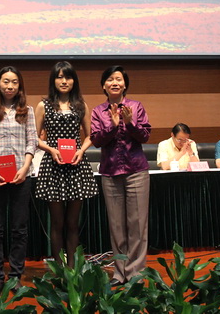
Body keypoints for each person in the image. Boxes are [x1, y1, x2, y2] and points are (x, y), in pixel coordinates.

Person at [90, 65, 152, 286]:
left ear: (125, 84)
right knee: (116, 226)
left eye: (118, 79)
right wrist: (112, 127)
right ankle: (119, 272)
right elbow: (96, 141)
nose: (114, 82)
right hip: (110, 173)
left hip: (136, 172)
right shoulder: (98, 111)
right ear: (104, 86)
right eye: (110, 79)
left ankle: (135, 273)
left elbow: (145, 136)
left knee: (137, 224)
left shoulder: (136, 106)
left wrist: (129, 123)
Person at [0, 66, 37, 293]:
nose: (10, 86)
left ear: (19, 85)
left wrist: (25, 167)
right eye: (6, 81)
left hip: (22, 175)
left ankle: (15, 275)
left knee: (19, 229)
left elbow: (32, 141)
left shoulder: (27, 111)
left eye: (14, 82)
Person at [35, 61, 98, 268]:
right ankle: (59, 269)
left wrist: (81, 150)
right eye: (60, 77)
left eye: (68, 77)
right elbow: (34, 138)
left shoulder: (81, 105)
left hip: (76, 166)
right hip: (53, 166)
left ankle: (72, 269)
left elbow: (90, 136)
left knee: (72, 223)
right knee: (57, 223)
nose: (64, 81)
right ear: (53, 80)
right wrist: (51, 150)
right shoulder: (43, 105)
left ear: (74, 81)